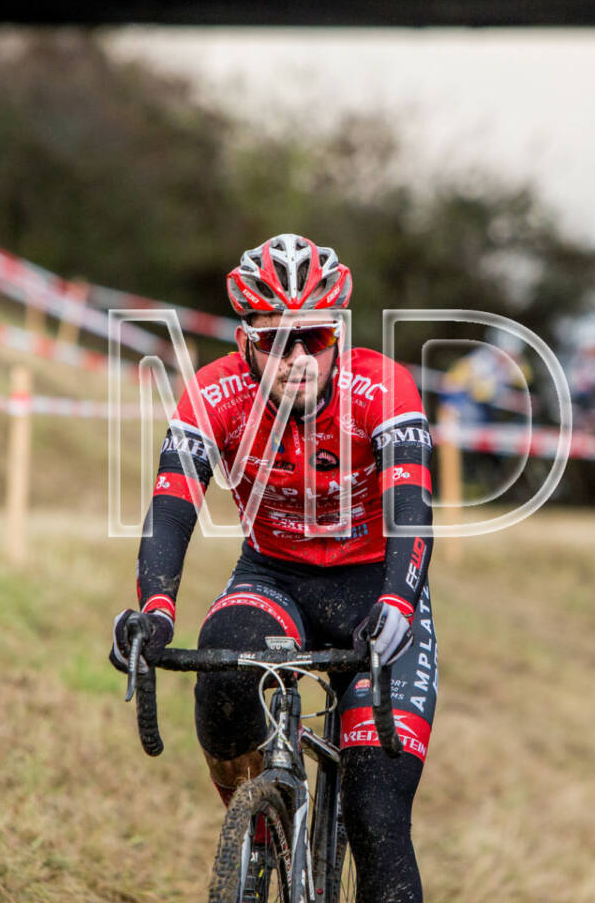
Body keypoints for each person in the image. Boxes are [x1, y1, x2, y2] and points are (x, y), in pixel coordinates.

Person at [110, 234, 436, 903]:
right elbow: (171, 508)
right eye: (273, 340)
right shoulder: (216, 392)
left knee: (376, 820)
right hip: (274, 577)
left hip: (374, 589)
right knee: (223, 666)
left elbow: (412, 511)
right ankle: (259, 828)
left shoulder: (382, 386)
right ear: (244, 341)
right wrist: (156, 611)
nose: (294, 357)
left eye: (312, 338)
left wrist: (400, 604)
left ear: (337, 333)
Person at [436, 325, 533, 426]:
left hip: (491, 410)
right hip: (468, 408)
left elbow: (526, 378)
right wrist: (478, 387)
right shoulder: (480, 360)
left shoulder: (514, 365)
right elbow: (452, 383)